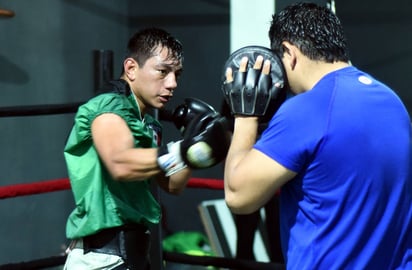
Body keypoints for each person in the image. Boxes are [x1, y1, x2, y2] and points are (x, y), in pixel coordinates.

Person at [222, 2, 412, 269]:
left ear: (289, 52)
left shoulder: (304, 110)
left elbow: (238, 196)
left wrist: (244, 116)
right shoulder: (392, 102)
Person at [63, 27, 229, 270]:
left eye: (177, 74)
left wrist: (195, 144)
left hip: (135, 255)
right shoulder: (107, 107)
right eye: (162, 72)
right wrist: (183, 150)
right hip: (102, 259)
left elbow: (172, 185)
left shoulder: (149, 123)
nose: (172, 83)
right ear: (131, 68)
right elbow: (120, 164)